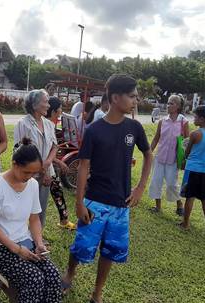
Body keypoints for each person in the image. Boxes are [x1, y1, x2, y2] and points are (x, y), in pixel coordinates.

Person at [62, 74, 152, 303]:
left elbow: (148, 155)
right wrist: (79, 201)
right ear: (115, 97)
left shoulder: (134, 127)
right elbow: (83, 167)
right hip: (95, 201)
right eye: (132, 96)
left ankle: (97, 292)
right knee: (82, 246)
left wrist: (140, 187)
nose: (136, 100)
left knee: (110, 250)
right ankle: (69, 274)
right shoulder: (94, 130)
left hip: (121, 204)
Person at [0, 138, 63, 303]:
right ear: (14, 164)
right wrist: (17, 249)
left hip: (24, 242)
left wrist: (39, 243)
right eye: (26, 172)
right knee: (34, 279)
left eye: (34, 173)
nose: (30, 177)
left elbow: (34, 219)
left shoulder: (32, 184)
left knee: (53, 276)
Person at [14, 89, 58, 227]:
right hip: (28, 174)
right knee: (24, 208)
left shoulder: (49, 124)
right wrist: (41, 168)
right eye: (45, 102)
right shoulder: (23, 124)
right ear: (34, 105)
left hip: (46, 174)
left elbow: (54, 147)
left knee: (41, 207)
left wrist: (48, 163)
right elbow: (19, 150)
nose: (49, 105)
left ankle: (38, 239)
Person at [148, 95, 189, 215]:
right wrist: (149, 152)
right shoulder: (162, 121)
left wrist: (185, 158)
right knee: (156, 181)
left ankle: (179, 205)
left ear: (178, 106)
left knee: (172, 183)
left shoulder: (183, 122)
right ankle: (158, 207)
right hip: (160, 156)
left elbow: (187, 141)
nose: (168, 105)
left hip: (174, 159)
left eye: (171, 103)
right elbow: (156, 138)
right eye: (168, 103)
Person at [179, 105, 205, 233]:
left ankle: (185, 223)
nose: (193, 119)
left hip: (193, 169)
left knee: (190, 197)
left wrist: (184, 156)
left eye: (195, 116)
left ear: (201, 119)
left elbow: (187, 152)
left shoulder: (195, 133)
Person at [46, 97, 76, 230]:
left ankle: (64, 221)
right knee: (56, 192)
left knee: (57, 192)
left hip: (49, 168)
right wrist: (59, 162)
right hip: (44, 169)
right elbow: (44, 151)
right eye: (60, 109)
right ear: (54, 111)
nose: (61, 112)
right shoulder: (47, 125)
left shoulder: (50, 124)